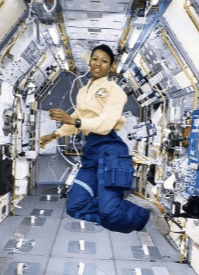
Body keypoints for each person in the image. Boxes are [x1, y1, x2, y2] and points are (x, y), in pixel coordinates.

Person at [38, 44, 169, 235]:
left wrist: (74, 120)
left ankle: (144, 213)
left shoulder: (116, 92)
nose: (98, 64)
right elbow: (77, 115)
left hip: (111, 149)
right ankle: (125, 205)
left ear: (111, 67)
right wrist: (55, 134)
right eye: (94, 59)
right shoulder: (84, 92)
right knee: (75, 206)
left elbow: (105, 123)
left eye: (104, 61)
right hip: (91, 150)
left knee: (111, 212)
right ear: (89, 61)